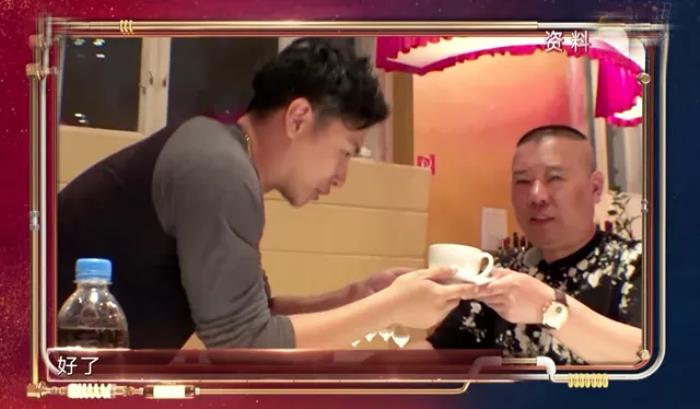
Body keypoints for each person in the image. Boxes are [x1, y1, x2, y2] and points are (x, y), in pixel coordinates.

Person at [58, 38, 478, 350]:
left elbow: (255, 319)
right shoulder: (219, 169)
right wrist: (390, 309)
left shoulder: (222, 154)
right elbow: (243, 344)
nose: (341, 177)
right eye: (346, 152)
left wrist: (362, 295)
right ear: (298, 118)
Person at [423, 125, 643, 364]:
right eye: (523, 181)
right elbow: (438, 359)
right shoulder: (497, 273)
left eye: (555, 178)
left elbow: (655, 357)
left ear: (595, 188)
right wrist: (397, 311)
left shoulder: (639, 264)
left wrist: (548, 307)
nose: (536, 195)